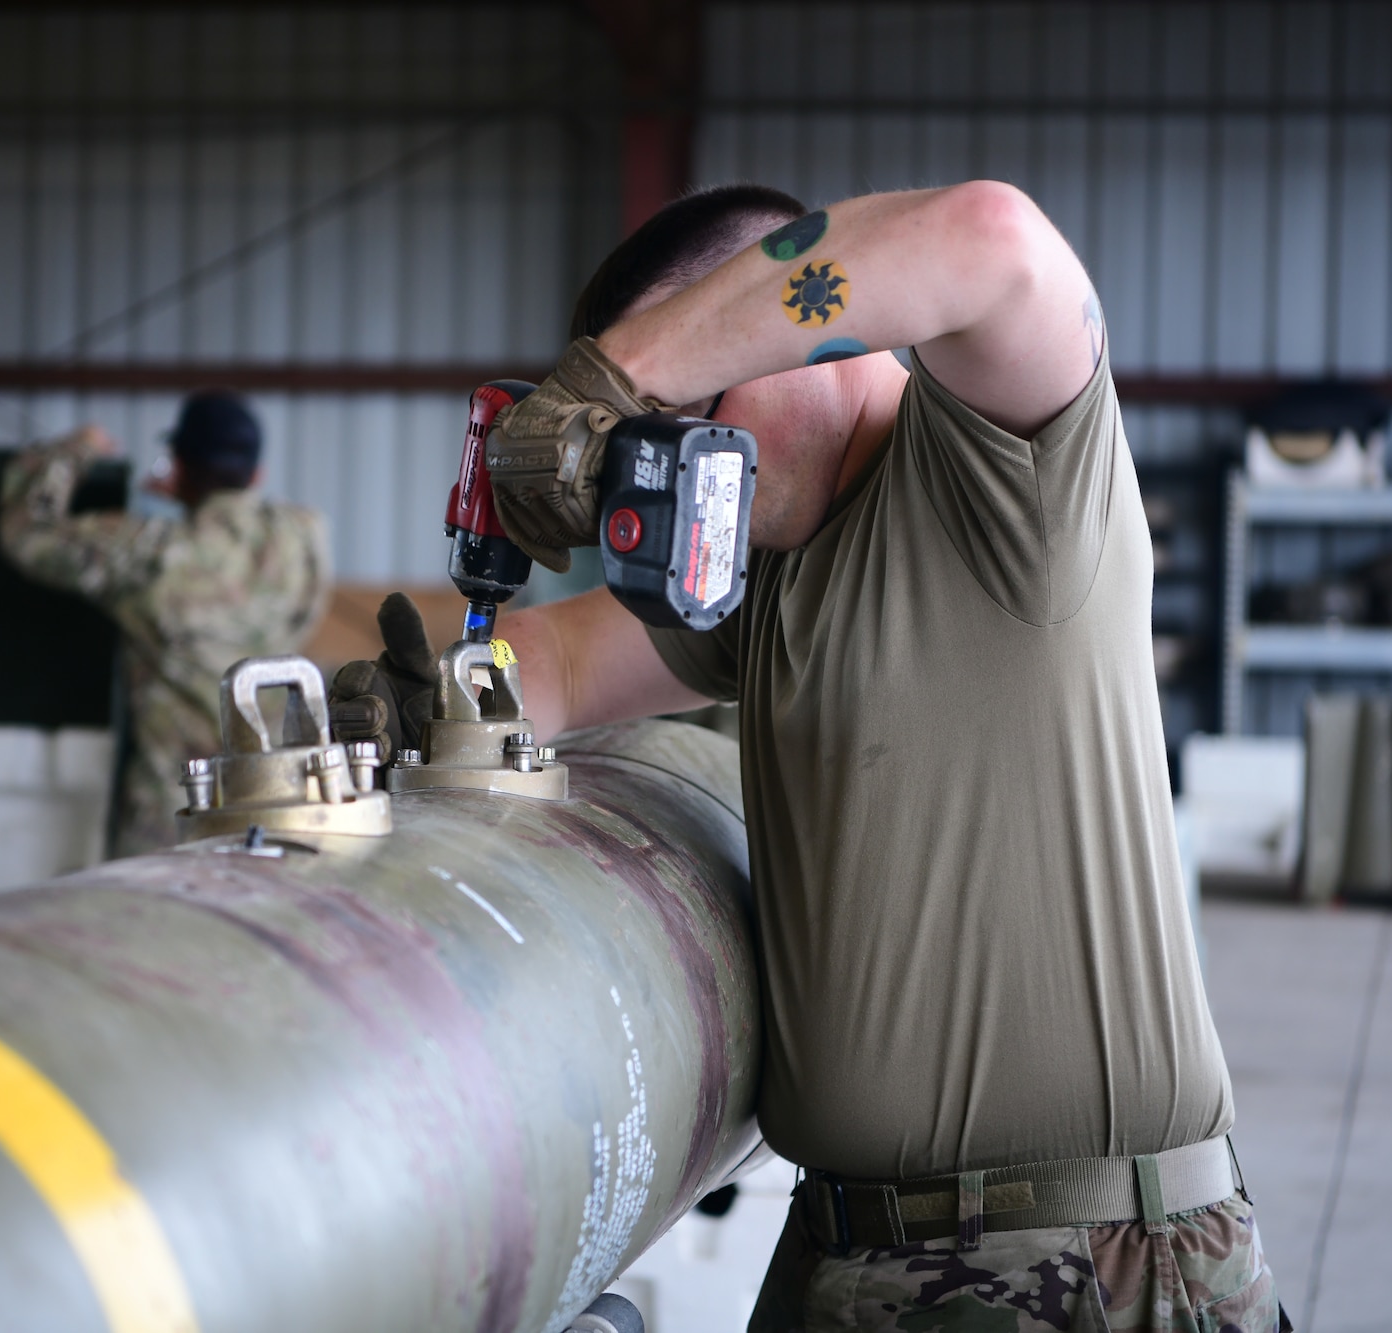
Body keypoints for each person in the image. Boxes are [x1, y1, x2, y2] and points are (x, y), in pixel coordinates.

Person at [334, 183, 1286, 1332]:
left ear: (796, 331)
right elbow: (560, 664)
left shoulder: (992, 483)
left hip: (1078, 1264)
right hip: (859, 1251)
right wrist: (415, 704)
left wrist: (620, 372)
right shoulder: (771, 564)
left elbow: (989, 240)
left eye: (688, 405)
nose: (673, 461)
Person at [0, 393, 330, 856]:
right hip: (273, 805)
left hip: (173, 816)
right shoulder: (302, 536)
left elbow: (27, 534)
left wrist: (76, 450)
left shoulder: (147, 550)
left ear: (179, 467)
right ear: (256, 473)